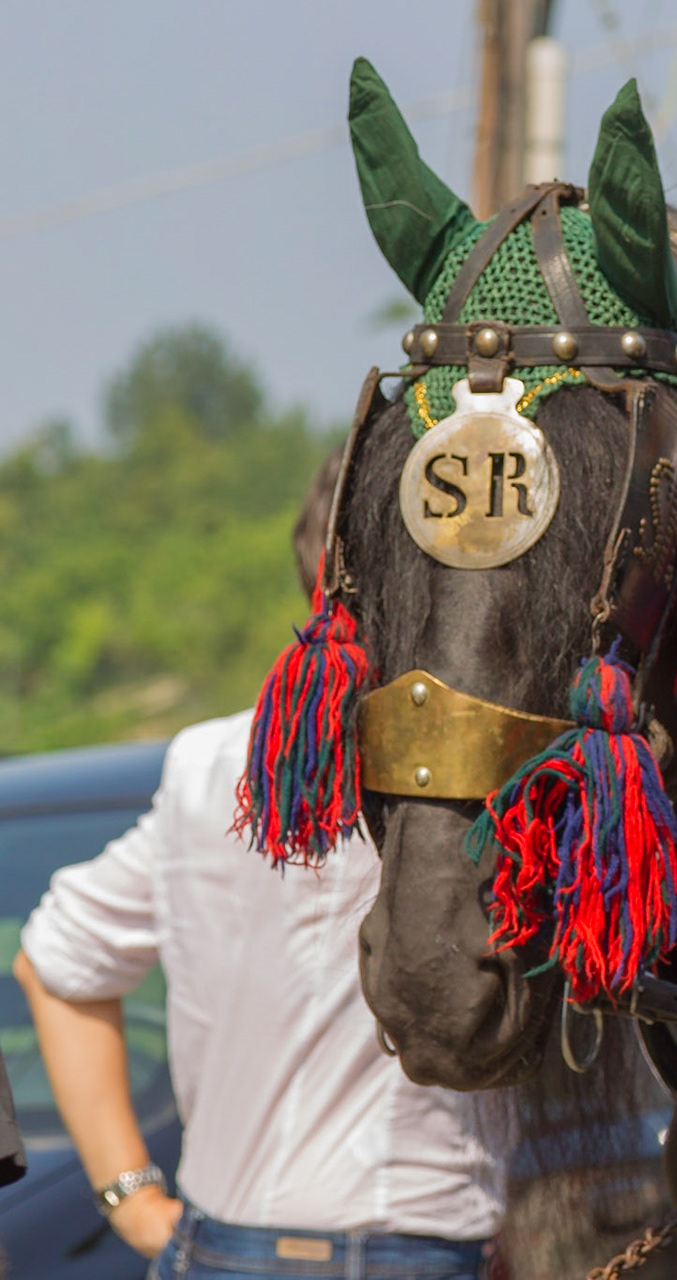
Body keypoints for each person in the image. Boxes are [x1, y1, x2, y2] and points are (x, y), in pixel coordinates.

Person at [13, 449, 509, 1279]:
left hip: (215, 1249)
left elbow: (54, 960)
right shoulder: (479, 769)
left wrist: (132, 1201)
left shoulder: (212, 762)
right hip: (414, 1252)